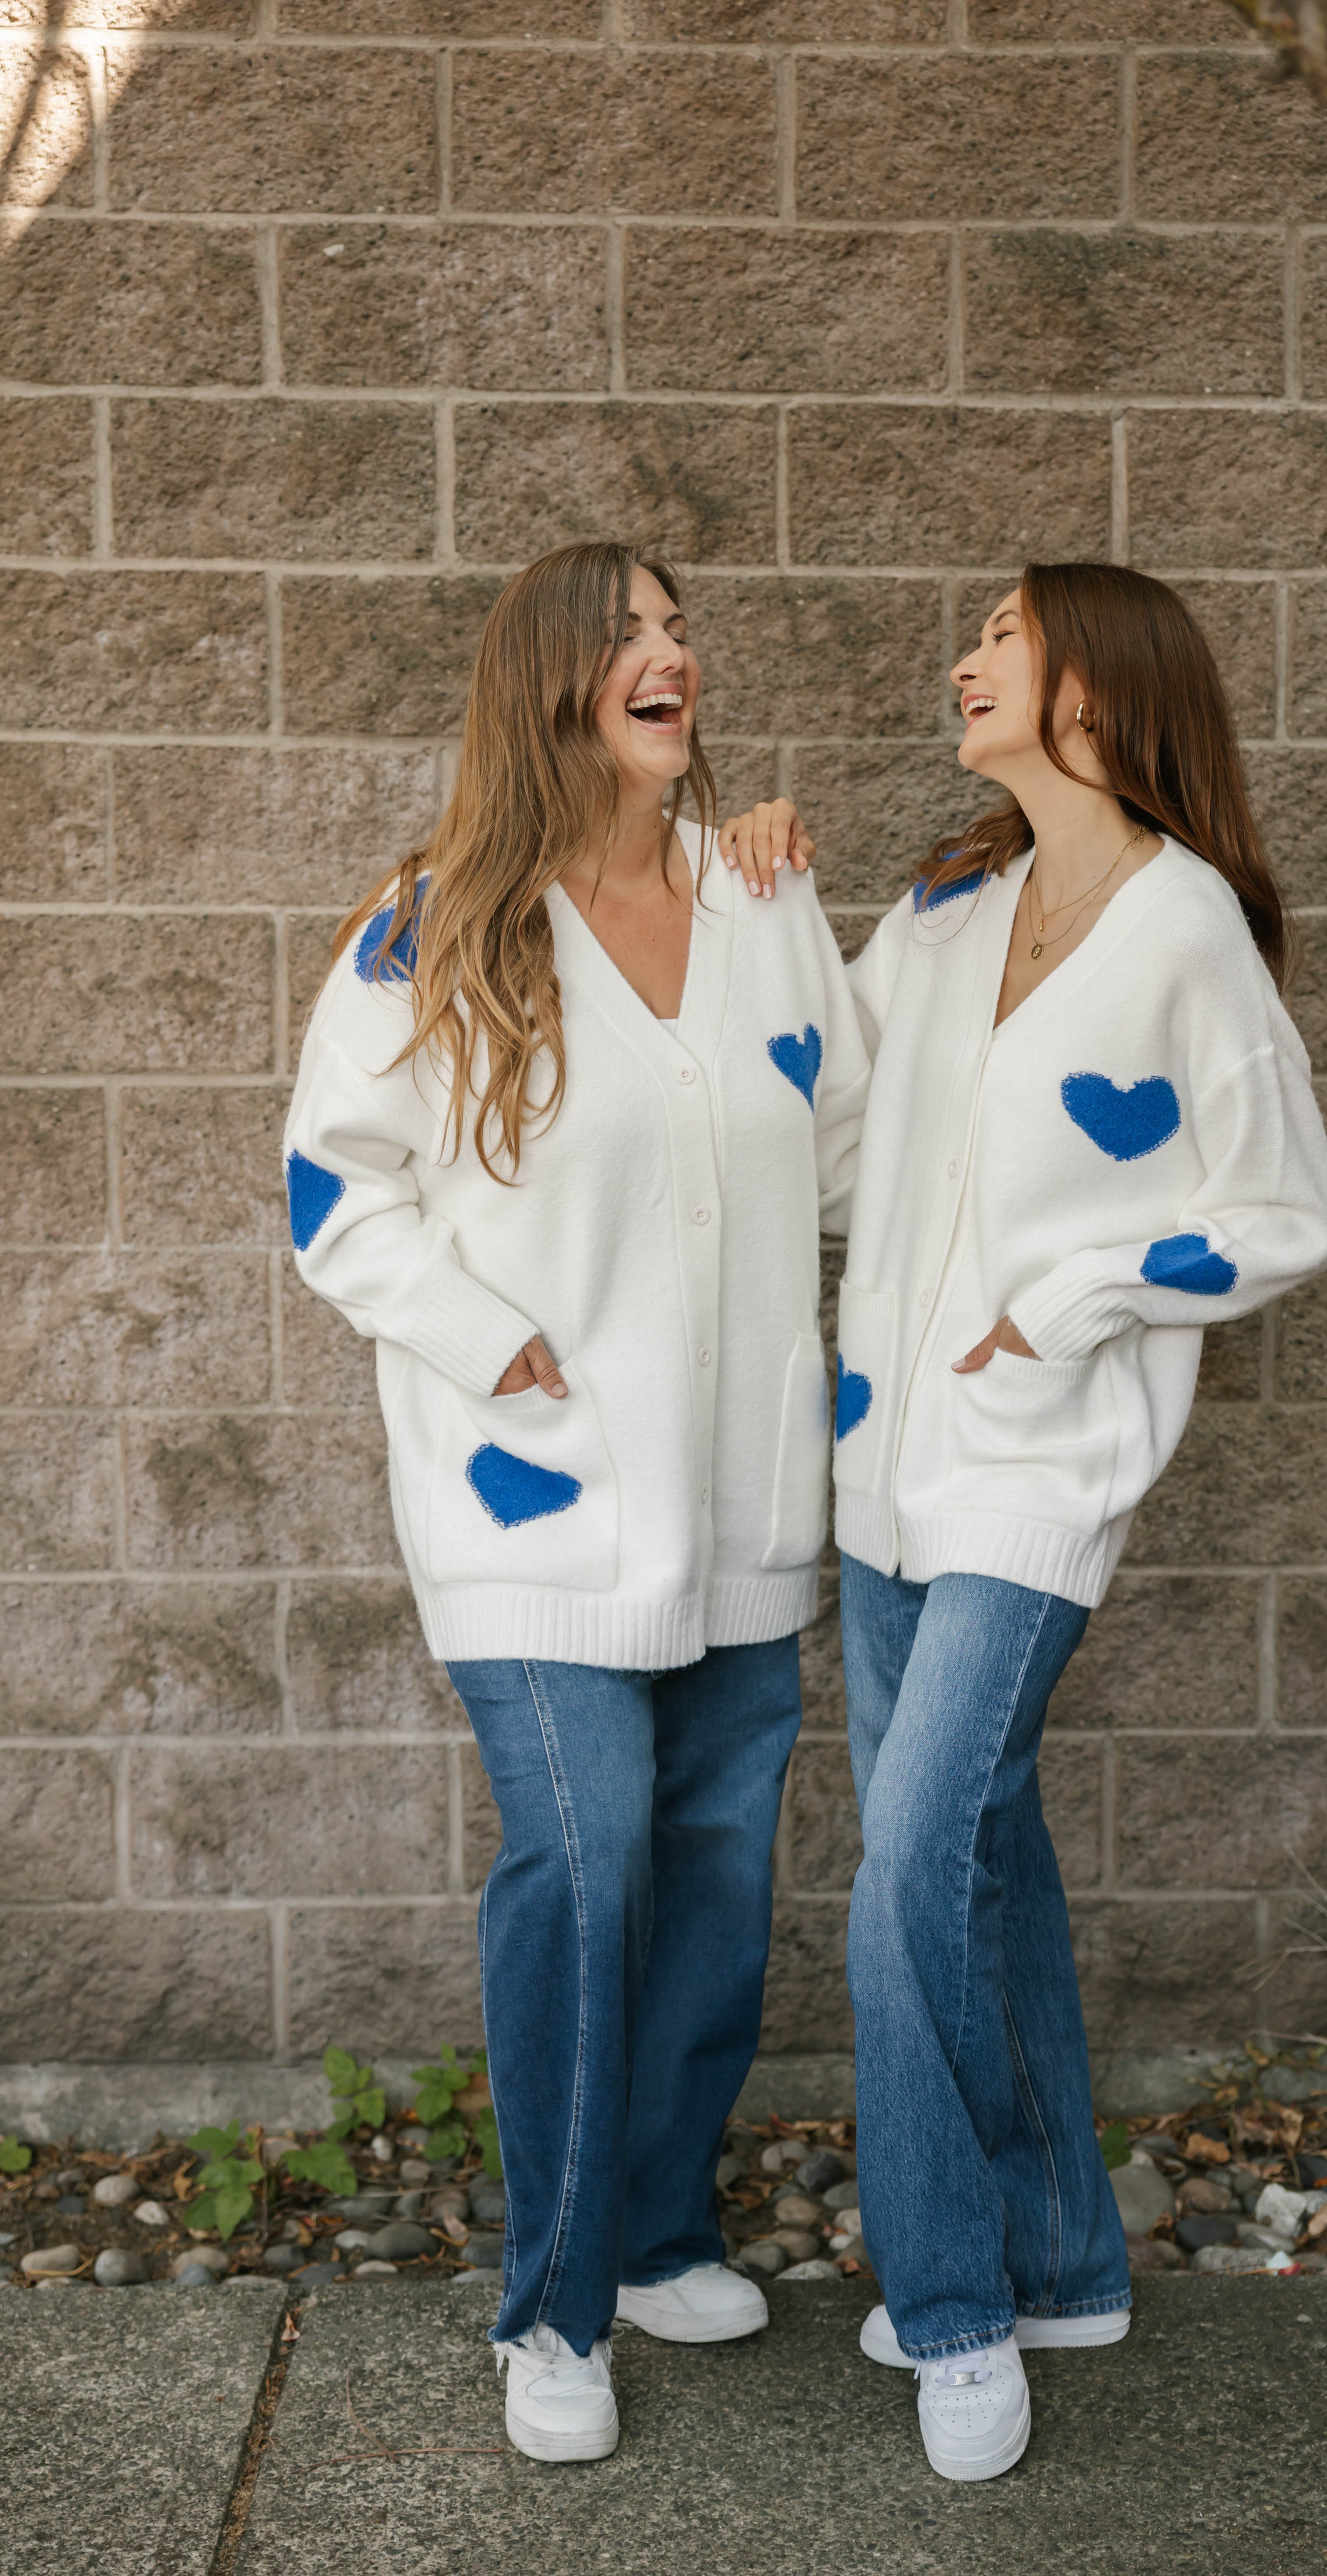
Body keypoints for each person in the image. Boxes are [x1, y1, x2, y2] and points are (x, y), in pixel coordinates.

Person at [722, 562, 1327, 2482]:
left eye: (1004, 633)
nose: (967, 657)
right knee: (983, 1857)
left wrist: (1069, 1298)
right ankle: (1072, 2251)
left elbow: (1284, 1209)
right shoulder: (943, 907)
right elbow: (825, 1122)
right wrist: (764, 921)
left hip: (1034, 1472)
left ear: (1095, 684)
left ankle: (958, 2297)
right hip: (878, 1469)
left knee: (905, 1864)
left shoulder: (1183, 937)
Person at [285, 541, 869, 2463]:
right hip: (530, 1500)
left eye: (677, 628)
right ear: (550, 680)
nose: (667, 655)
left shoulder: (763, 896)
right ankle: (549, 2303)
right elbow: (334, 1189)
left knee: (712, 1875)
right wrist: (488, 1338)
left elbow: (855, 1146)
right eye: (625, 632)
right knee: (588, 1853)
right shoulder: (439, 915)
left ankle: (647, 2228)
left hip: (741, 1496)